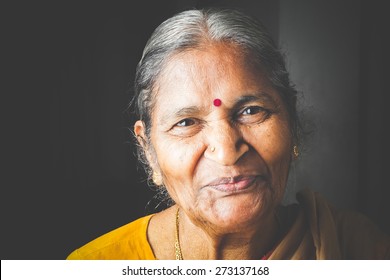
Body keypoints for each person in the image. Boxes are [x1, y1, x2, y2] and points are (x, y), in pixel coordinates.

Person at [67, 8, 389, 260]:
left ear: (290, 122)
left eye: (251, 111)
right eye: (186, 122)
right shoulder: (97, 264)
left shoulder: (360, 249)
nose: (226, 150)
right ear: (149, 150)